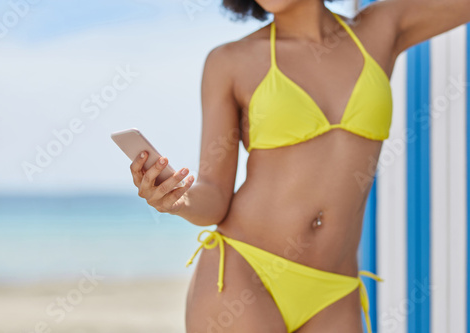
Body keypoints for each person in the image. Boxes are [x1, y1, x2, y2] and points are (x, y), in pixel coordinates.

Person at [130, 0, 470, 332]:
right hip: (245, 275)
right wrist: (179, 199)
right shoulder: (231, 62)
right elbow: (214, 196)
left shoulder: (381, 28)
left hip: (336, 290)